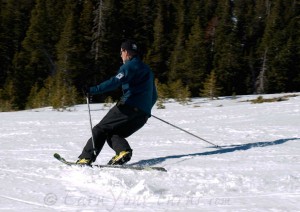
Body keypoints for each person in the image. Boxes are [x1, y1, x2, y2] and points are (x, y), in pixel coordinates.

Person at [77, 40, 157, 165]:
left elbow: (115, 81)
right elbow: (154, 96)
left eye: (121, 52)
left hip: (127, 108)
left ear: (126, 52)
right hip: (142, 116)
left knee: (100, 129)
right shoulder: (147, 70)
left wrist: (92, 90)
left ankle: (85, 158)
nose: (121, 56)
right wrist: (144, 109)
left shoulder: (129, 66)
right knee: (112, 133)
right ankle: (123, 152)